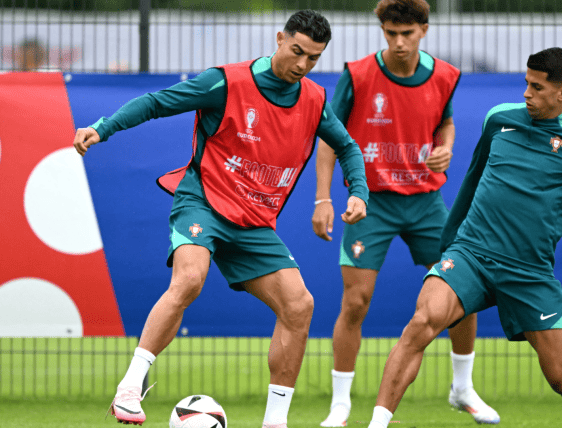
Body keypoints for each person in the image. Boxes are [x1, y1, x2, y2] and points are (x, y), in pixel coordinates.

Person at [363, 47, 562, 428]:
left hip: (528, 273)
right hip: (471, 254)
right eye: (525, 84)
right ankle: (378, 423)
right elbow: (470, 182)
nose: (527, 93)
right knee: (422, 321)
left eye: (537, 87)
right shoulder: (499, 120)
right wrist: (448, 245)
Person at [72, 10, 368, 428]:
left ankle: (275, 423)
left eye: (313, 59)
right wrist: (104, 127)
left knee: (300, 305)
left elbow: (348, 146)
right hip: (204, 203)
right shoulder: (227, 82)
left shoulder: (314, 100)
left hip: (254, 223)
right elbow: (157, 103)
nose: (302, 65)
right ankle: (130, 387)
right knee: (190, 278)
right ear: (280, 38)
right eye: (297, 51)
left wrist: (358, 191)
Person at [311, 0, 499, 426]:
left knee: (461, 292)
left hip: (426, 203)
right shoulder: (357, 75)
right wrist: (323, 198)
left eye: (407, 34)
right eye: (390, 33)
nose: (398, 42)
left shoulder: (446, 75)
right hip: (371, 203)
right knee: (355, 301)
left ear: (424, 31)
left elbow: (444, 123)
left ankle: (462, 388)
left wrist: (445, 146)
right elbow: (328, 139)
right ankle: (340, 403)